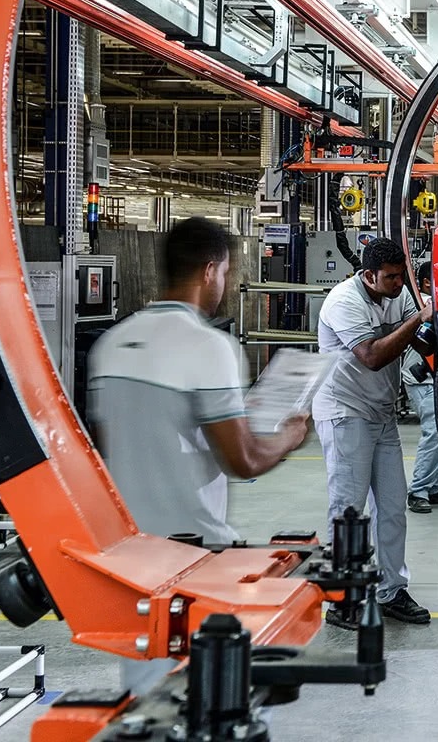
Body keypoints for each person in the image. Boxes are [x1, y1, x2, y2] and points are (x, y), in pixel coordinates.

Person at [88, 217, 309, 694]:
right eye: (226, 273)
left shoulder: (109, 346)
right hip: (194, 553)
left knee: (148, 692)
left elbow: (113, 451)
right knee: (210, 697)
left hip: (130, 557)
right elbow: (243, 460)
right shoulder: (209, 346)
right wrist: (288, 437)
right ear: (210, 271)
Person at [314, 237, 431, 626]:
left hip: (381, 414)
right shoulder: (344, 301)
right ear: (368, 276)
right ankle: (341, 599)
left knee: (393, 507)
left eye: (403, 277)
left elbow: (423, 337)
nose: (399, 284)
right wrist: (418, 318)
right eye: (391, 278)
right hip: (344, 412)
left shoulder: (399, 294)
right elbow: (373, 357)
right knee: (348, 510)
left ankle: (392, 590)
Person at [405, 262, 438, 513]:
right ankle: (418, 490)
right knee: (434, 433)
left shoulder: (437, 302)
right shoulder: (424, 303)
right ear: (427, 282)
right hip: (421, 379)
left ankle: (433, 486)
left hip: (437, 379)